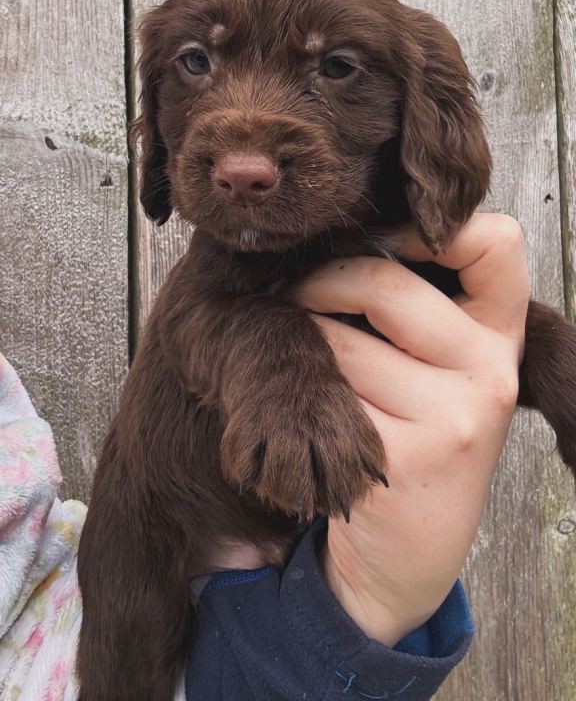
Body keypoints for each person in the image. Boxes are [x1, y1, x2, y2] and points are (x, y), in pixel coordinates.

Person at [0, 213, 529, 700]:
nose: (244, 166)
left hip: (291, 581)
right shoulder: (225, 257)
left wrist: (362, 601)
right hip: (152, 531)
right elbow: (196, 322)